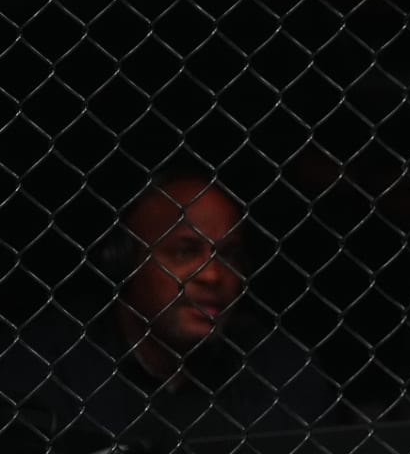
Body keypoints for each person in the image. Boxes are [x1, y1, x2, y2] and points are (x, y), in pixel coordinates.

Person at [0, 168, 338, 450]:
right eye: (185, 251)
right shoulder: (45, 364)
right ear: (128, 261)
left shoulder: (282, 369)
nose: (213, 275)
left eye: (229, 255)